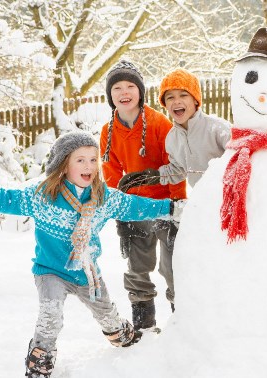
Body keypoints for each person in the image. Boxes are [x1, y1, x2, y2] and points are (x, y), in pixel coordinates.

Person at [0, 131, 184, 378]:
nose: (88, 166)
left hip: (86, 272)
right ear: (64, 165)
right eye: (80, 160)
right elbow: (6, 200)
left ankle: (122, 335)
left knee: (107, 315)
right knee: (50, 315)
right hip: (50, 270)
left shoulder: (103, 197)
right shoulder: (42, 196)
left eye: (92, 159)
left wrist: (171, 208)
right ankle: (40, 361)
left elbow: (135, 206)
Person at [100, 60, 186, 332]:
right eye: (117, 88)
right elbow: (111, 171)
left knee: (173, 266)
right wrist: (121, 208)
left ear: (139, 91)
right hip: (135, 208)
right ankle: (145, 323)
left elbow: (174, 165)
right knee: (138, 267)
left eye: (129, 86)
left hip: (164, 206)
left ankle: (181, 319)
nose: (124, 92)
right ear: (110, 95)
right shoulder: (108, 131)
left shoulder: (160, 124)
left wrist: (177, 205)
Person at [119, 68, 231, 190]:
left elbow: (242, 156)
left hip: (230, 194)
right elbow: (178, 170)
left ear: (195, 100)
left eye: (183, 95)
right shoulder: (172, 138)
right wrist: (150, 177)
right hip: (202, 199)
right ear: (165, 104)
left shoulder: (218, 129)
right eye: (170, 97)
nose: (177, 101)